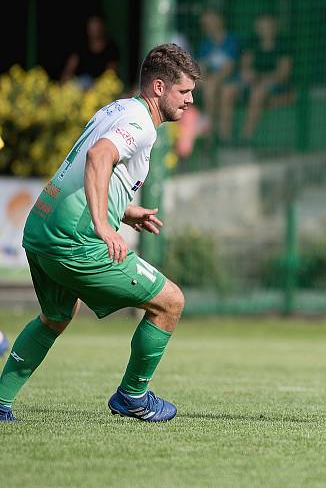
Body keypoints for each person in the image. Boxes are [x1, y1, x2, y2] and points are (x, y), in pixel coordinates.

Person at [0, 43, 202, 422]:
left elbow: (88, 170)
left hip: (41, 227)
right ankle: (133, 397)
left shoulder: (117, 108)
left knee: (55, 317)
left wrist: (123, 211)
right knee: (170, 302)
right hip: (74, 241)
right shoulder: (141, 126)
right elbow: (98, 158)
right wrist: (102, 225)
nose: (190, 101)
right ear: (159, 87)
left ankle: (0, 401)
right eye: (184, 91)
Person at [219, 13, 293, 138]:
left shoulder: (283, 46)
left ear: (274, 27)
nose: (265, 30)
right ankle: (225, 136)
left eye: (268, 26)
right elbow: (246, 66)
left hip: (274, 85)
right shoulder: (252, 44)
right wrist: (248, 75)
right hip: (251, 83)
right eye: (261, 26)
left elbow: (283, 74)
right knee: (227, 90)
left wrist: (260, 77)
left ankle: (246, 136)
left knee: (257, 92)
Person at [197, 9, 238, 133]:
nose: (207, 23)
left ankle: (220, 134)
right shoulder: (204, 44)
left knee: (224, 92)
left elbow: (229, 69)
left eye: (210, 19)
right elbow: (201, 68)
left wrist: (212, 81)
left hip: (231, 81)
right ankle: (209, 133)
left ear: (219, 20)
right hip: (210, 83)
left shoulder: (231, 40)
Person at [61, 15, 120, 89]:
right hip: (80, 87)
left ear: (103, 27)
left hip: (101, 88)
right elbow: (68, 71)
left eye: (97, 26)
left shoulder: (111, 47)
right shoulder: (81, 46)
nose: (95, 30)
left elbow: (110, 74)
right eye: (92, 27)